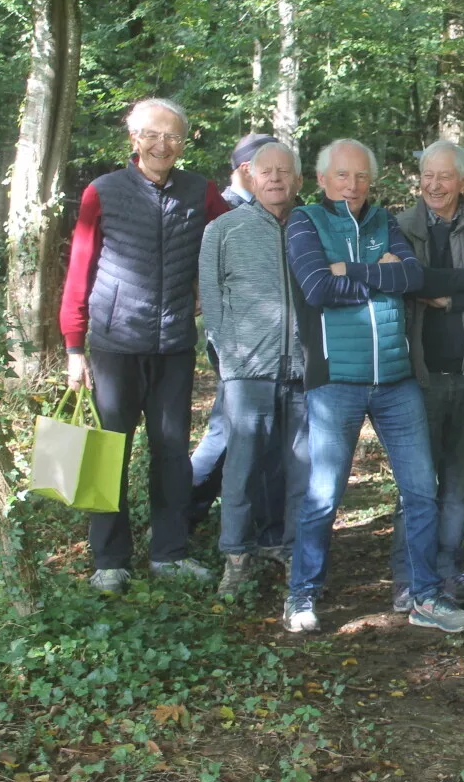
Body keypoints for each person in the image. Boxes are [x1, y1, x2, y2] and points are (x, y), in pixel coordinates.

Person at [282, 138, 464, 635]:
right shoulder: (305, 220)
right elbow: (317, 287)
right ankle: (301, 594)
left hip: (395, 380)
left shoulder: (384, 221)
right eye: (342, 176)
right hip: (335, 381)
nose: (353, 185)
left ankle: (425, 595)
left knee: (420, 492)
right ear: (322, 180)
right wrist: (375, 275)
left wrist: (350, 270)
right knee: (324, 495)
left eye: (361, 176)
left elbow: (411, 277)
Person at [60, 97, 232, 595]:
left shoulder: (201, 192)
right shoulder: (103, 192)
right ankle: (110, 560)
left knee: (172, 451)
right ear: (133, 138)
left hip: (175, 341)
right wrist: (75, 347)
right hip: (115, 343)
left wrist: (209, 285)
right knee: (109, 450)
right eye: (151, 135)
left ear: (185, 141)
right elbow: (81, 268)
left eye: (172, 136)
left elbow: (229, 238)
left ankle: (170, 553)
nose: (162, 144)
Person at [393, 140, 464, 608]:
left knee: (459, 484)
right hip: (416, 374)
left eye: (444, 177)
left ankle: (448, 567)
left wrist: (446, 298)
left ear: (462, 180)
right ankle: (407, 576)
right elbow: (408, 281)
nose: (434, 185)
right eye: (427, 175)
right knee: (416, 485)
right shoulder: (399, 225)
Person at [199, 141, 308, 596]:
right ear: (251, 176)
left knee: (300, 467)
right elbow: (210, 298)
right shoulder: (223, 229)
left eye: (285, 171)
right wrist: (229, 359)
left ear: (298, 180)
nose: (276, 178)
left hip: (304, 370)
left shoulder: (312, 227)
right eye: (267, 171)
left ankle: (293, 552)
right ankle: (237, 557)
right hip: (247, 371)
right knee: (241, 467)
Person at [190, 133, 281, 527]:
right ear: (247, 169)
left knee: (242, 439)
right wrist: (224, 348)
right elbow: (210, 287)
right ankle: (184, 513)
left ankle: (256, 524)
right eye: (266, 168)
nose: (276, 178)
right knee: (224, 436)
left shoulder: (283, 215)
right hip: (240, 352)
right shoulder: (220, 212)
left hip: (272, 352)